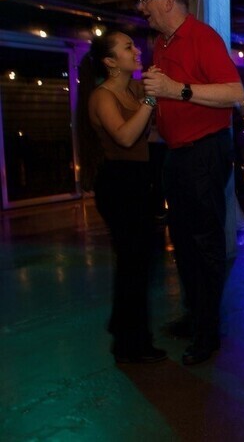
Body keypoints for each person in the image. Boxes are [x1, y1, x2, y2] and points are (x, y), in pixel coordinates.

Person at [137, 0, 244, 366]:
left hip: (205, 152)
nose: (141, 8)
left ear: (167, 0)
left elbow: (235, 93)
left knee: (205, 243)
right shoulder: (161, 44)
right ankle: (196, 316)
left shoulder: (202, 37)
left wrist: (177, 90)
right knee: (182, 242)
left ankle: (207, 332)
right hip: (177, 154)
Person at [77, 31, 165, 363]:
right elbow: (126, 137)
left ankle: (124, 330)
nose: (137, 50)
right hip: (119, 185)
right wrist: (151, 100)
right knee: (133, 263)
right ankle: (131, 344)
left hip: (138, 180)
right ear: (110, 61)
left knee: (138, 263)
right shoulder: (102, 97)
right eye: (128, 47)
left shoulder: (132, 89)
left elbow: (148, 133)